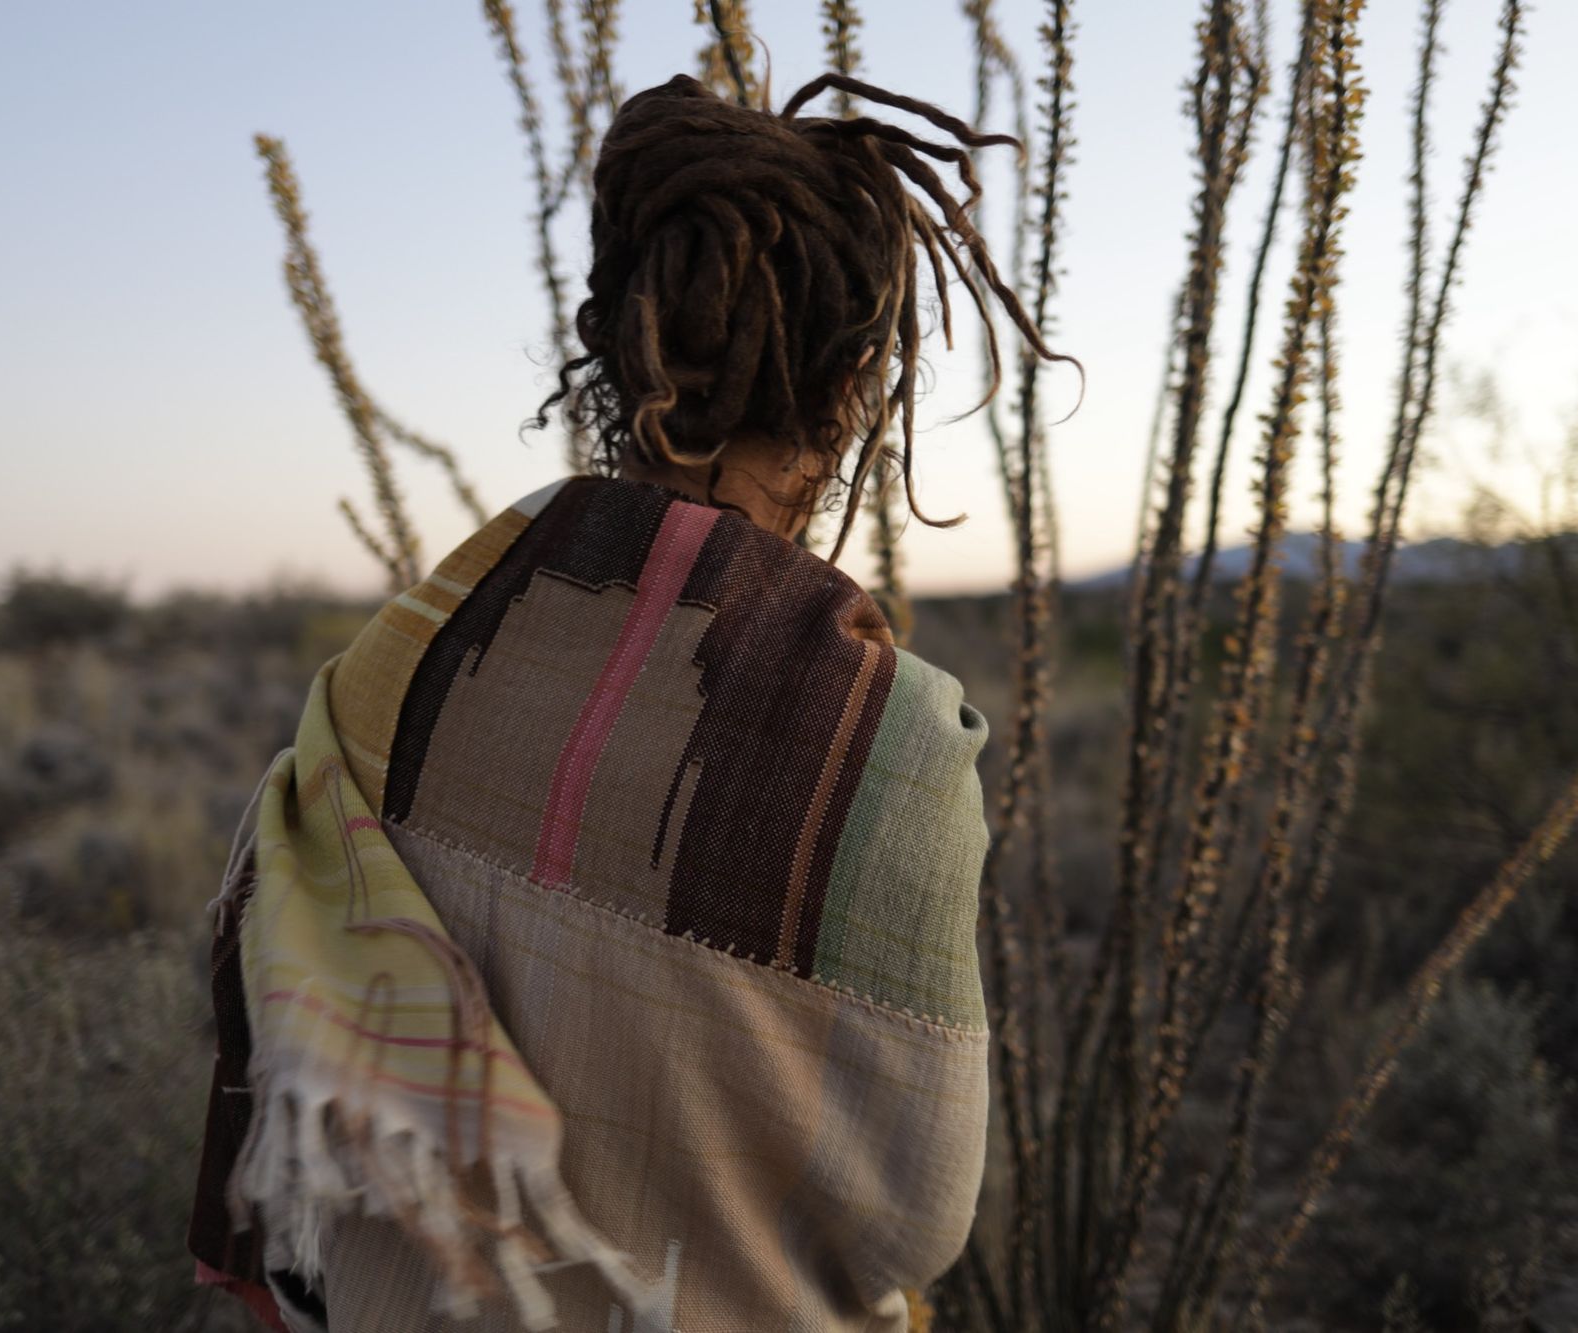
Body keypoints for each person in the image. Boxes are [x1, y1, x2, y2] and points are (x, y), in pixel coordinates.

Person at [188, 70, 1069, 1332]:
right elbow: (915, 1213)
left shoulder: (401, 661)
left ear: (614, 337)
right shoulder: (892, 750)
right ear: (853, 384)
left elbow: (264, 1000)